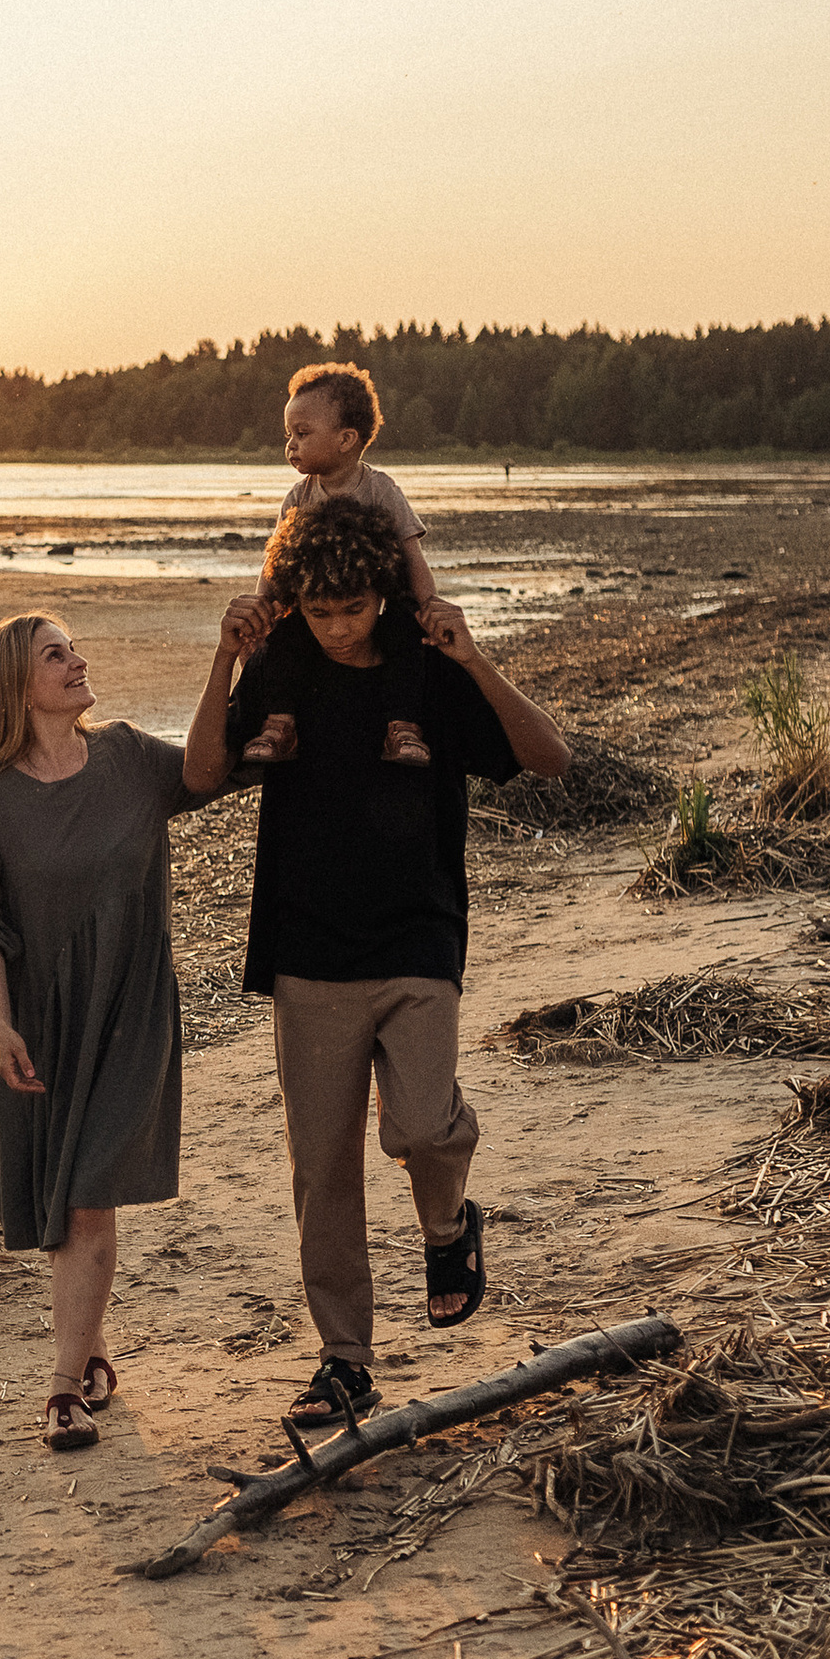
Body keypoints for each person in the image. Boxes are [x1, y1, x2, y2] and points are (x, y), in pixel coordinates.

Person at [212, 494, 572, 1438]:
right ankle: (345, 1361)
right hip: (307, 949)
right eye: (320, 611)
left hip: (417, 938)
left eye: (355, 609)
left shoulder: (430, 674)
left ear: (386, 597)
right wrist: (227, 656)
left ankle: (449, 1226)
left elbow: (553, 759)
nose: (337, 629)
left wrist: (472, 656)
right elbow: (209, 771)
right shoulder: (284, 666)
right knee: (322, 1168)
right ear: (297, 603)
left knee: (420, 1124)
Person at [0, 613, 235, 1449]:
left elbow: (220, 767)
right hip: (37, 1021)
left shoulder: (131, 756)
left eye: (75, 648)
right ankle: (93, 1351)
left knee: (87, 1192)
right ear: (14, 685)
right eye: (56, 656)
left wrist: (229, 659)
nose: (78, 662)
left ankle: (62, 1390)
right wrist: (0, 1028)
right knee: (60, 1207)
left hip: (132, 1009)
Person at [240, 362, 439, 773]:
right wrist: (262, 609)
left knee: (406, 641)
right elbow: (275, 562)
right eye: (289, 435)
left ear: (347, 439)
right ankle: (280, 725)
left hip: (379, 604)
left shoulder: (380, 489)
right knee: (284, 641)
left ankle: (402, 728)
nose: (290, 446)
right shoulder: (299, 496)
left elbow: (412, 555)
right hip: (313, 607)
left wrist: (430, 608)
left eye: (302, 433)